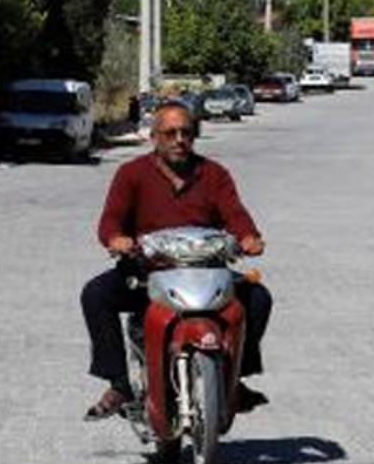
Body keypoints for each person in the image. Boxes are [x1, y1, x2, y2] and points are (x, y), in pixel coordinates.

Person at [80, 100, 273, 421]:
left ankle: (235, 377)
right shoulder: (131, 174)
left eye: (186, 132)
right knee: (96, 294)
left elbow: (235, 214)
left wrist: (249, 237)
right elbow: (111, 220)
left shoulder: (214, 174)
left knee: (258, 299)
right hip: (148, 273)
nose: (179, 140)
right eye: (170, 133)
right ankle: (119, 382)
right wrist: (117, 239)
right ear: (154, 137)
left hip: (204, 271)